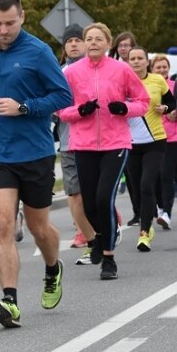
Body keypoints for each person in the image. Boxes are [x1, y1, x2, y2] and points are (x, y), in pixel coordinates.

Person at [0, 0, 73, 328]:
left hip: (35, 152)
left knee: (39, 227)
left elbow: (63, 95)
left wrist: (24, 107)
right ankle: (9, 300)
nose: (4, 30)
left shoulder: (38, 52)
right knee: (3, 223)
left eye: (10, 23)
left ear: (22, 17)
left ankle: (53, 268)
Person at [58, 23, 150, 280]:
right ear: (84, 43)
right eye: (89, 39)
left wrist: (124, 108)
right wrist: (80, 111)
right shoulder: (72, 73)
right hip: (84, 144)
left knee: (103, 199)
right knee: (88, 204)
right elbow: (60, 110)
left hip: (115, 144)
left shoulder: (121, 70)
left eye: (99, 39)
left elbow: (143, 102)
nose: (93, 42)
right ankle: (98, 237)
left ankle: (109, 258)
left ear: (108, 44)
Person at [54, 24, 99, 264]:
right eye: (68, 41)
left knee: (96, 195)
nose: (73, 44)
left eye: (76, 40)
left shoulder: (97, 70)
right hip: (69, 141)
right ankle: (92, 240)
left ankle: (106, 222)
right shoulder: (58, 73)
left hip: (97, 143)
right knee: (75, 194)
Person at [124, 46, 175, 252]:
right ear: (128, 62)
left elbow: (171, 103)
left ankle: (144, 232)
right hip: (130, 142)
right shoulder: (122, 83)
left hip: (155, 140)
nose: (136, 61)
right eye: (132, 58)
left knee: (147, 185)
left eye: (140, 58)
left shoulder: (157, 81)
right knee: (137, 188)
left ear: (147, 61)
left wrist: (165, 108)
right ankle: (146, 217)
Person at [110, 31, 139, 215]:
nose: (123, 49)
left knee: (146, 175)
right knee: (131, 174)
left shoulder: (139, 66)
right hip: (122, 127)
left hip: (142, 124)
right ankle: (138, 211)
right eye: (120, 45)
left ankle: (154, 206)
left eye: (127, 45)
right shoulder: (113, 67)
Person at [152, 55, 177, 229]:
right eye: (158, 67)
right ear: (152, 69)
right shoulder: (149, 86)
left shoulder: (174, 86)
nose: (162, 70)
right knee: (155, 177)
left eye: (164, 67)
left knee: (167, 175)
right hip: (153, 137)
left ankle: (166, 213)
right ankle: (161, 207)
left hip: (173, 138)